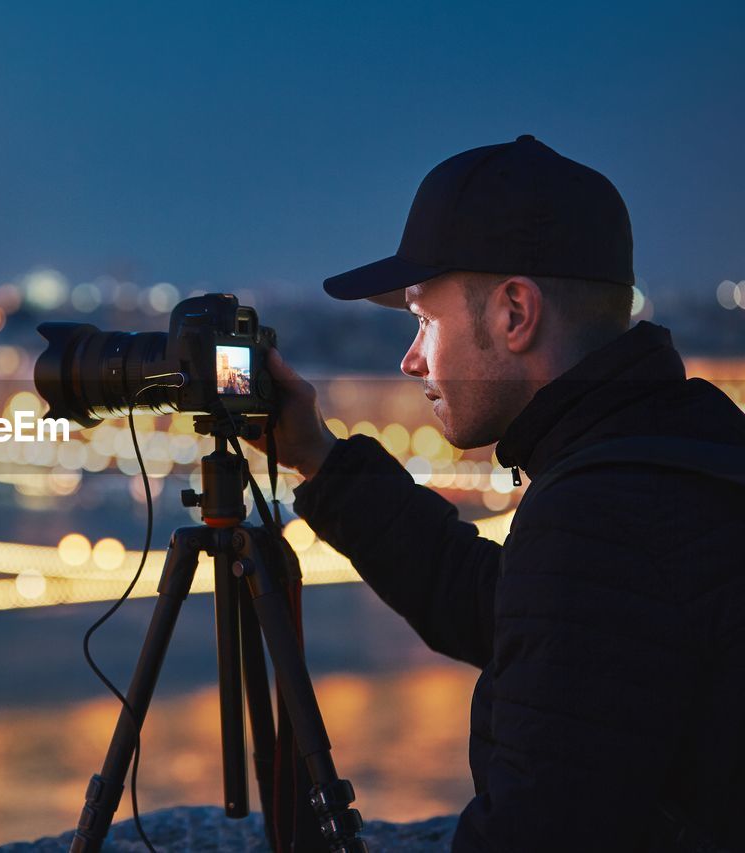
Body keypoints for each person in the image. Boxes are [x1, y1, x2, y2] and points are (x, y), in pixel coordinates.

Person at [257, 136, 745, 851]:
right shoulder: (683, 447)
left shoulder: (598, 517)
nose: (411, 356)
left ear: (515, 313)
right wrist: (317, 457)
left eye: (425, 318)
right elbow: (513, 612)